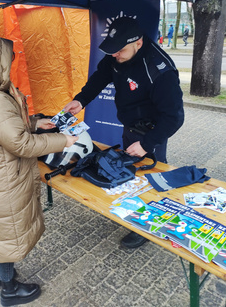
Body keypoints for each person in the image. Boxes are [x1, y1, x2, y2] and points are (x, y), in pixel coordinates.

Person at [0, 36, 78, 307]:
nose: (10, 66)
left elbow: (3, 128)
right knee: (2, 234)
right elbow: (21, 144)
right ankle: (9, 290)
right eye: (5, 62)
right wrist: (64, 140)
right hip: (2, 177)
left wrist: (36, 122)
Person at [64, 16, 184, 249]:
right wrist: (81, 100)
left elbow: (174, 117)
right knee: (129, 173)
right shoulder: (117, 56)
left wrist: (147, 144)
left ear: (138, 43)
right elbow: (100, 77)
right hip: (130, 128)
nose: (114, 55)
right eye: (112, 50)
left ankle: (148, 226)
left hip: (152, 133)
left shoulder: (160, 70)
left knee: (150, 178)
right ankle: (135, 213)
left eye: (119, 50)